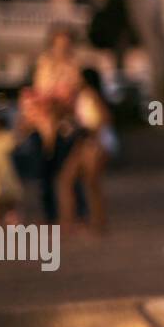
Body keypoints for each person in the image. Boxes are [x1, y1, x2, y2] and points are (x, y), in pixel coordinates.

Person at [18, 25, 82, 223]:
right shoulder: (43, 64)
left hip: (65, 126)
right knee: (43, 172)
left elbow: (73, 98)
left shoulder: (74, 67)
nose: (61, 48)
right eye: (58, 44)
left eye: (66, 44)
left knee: (68, 173)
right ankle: (50, 214)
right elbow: (36, 92)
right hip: (41, 125)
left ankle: (76, 214)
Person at [58, 67, 114, 235]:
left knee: (91, 183)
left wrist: (92, 134)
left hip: (93, 142)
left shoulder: (92, 95)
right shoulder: (81, 96)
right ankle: (69, 221)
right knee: (67, 179)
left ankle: (98, 223)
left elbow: (105, 118)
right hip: (83, 141)